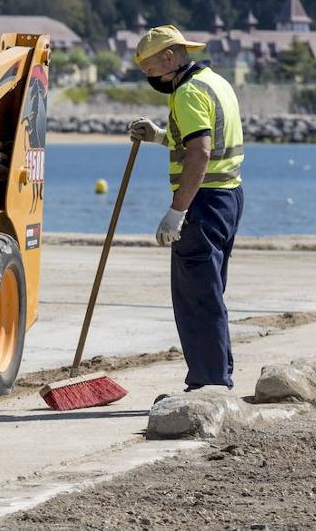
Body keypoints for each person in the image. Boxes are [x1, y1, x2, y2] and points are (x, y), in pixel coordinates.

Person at [127, 25, 244, 391]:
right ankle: (216, 373)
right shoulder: (215, 82)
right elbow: (200, 142)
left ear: (170, 57)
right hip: (228, 196)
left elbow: (201, 152)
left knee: (196, 295)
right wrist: (160, 136)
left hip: (203, 201)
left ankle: (209, 382)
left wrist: (177, 210)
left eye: (150, 70)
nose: (150, 78)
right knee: (209, 290)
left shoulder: (188, 92)